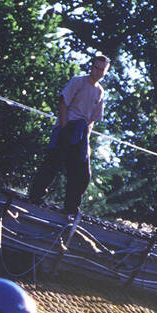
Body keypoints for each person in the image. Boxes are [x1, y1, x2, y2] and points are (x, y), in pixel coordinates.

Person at [27, 55, 109, 219]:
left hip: (82, 132)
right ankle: (35, 196)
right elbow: (63, 102)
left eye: (102, 69)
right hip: (68, 124)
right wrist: (64, 127)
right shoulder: (78, 81)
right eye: (96, 67)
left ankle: (71, 208)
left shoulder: (100, 91)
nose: (97, 72)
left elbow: (94, 118)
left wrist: (84, 138)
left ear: (105, 72)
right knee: (52, 163)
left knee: (82, 174)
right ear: (91, 67)